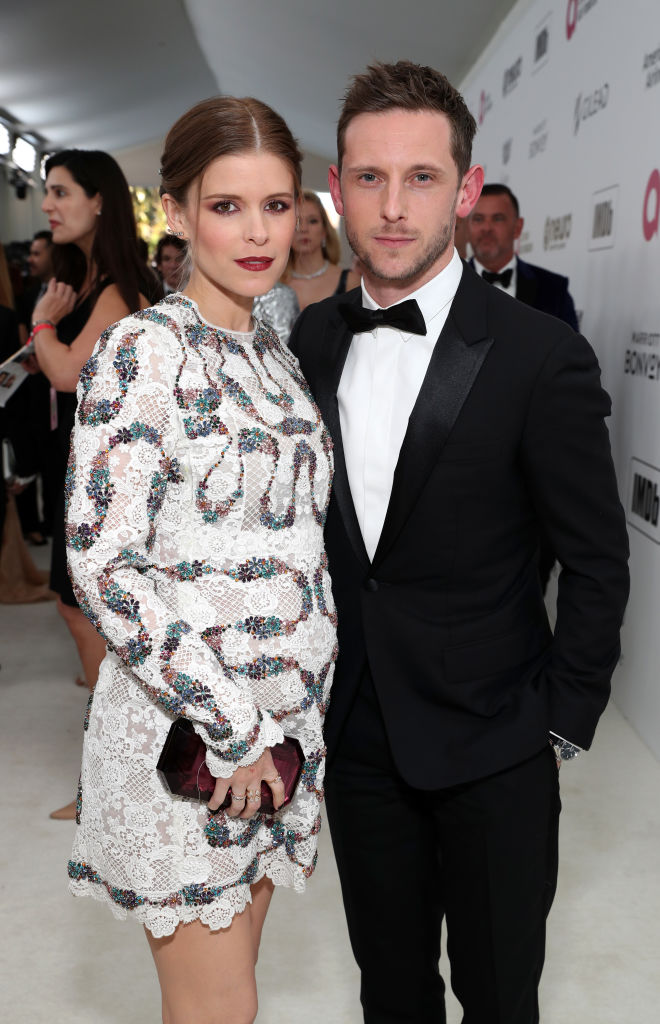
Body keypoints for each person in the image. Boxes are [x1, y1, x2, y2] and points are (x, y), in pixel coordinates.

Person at [289, 60, 629, 1024]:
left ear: (466, 188)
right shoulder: (310, 342)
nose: (394, 208)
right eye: (370, 178)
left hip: (497, 742)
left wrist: (560, 722)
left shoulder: (541, 355)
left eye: (423, 177)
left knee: (499, 997)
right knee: (390, 993)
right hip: (359, 737)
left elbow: (596, 559)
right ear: (338, 189)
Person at [65, 95, 336, 1024]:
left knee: (226, 1004)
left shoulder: (275, 351)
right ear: (176, 212)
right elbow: (104, 566)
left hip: (280, 744)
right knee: (221, 1010)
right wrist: (235, 724)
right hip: (191, 741)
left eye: (276, 205)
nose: (258, 233)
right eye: (227, 206)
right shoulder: (142, 351)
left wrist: (290, 724)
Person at [29, 149, 162, 816]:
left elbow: (67, 372)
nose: (47, 205)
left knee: (92, 618)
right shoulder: (93, 282)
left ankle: (115, 783)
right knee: (81, 613)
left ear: (99, 200)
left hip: (110, 484)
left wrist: (42, 324)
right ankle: (114, 778)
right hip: (87, 474)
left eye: (60, 192)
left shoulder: (118, 288)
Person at [467, 182, 579, 329]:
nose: (486, 228)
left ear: (518, 228)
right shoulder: (446, 286)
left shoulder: (554, 289)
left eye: (497, 218)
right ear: (468, 226)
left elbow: (569, 344)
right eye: (478, 219)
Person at [284, 189, 359, 309]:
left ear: (324, 230)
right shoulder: (272, 283)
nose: (303, 229)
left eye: (312, 221)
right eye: (296, 222)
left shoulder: (351, 282)